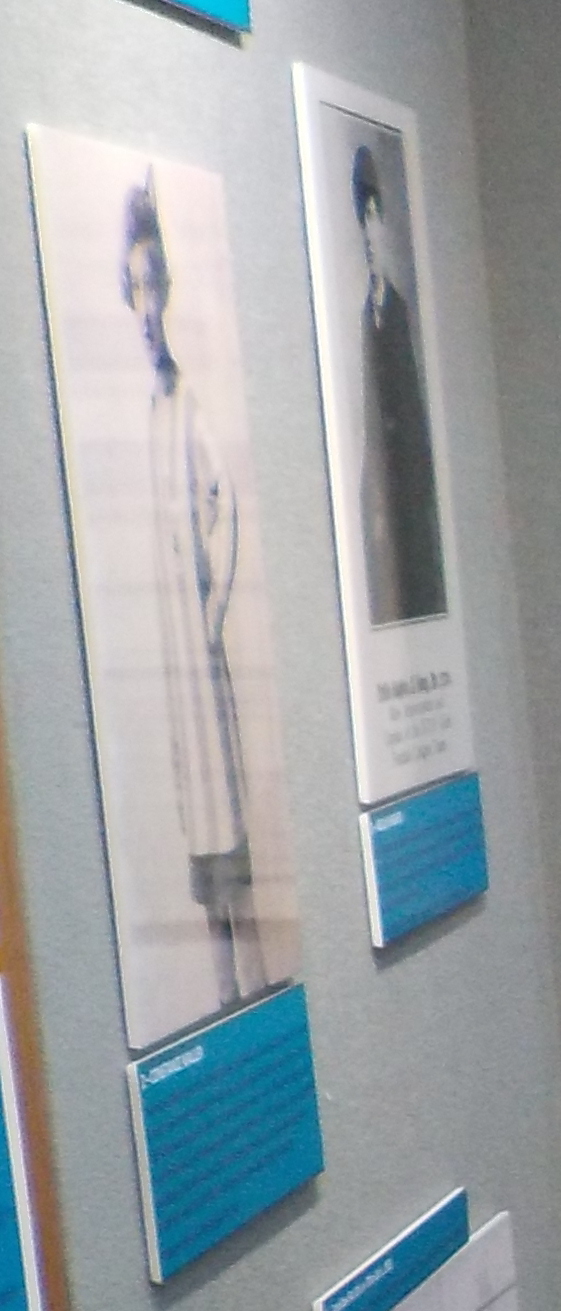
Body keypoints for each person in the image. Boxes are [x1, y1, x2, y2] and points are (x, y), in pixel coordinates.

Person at [126, 173, 269, 1016]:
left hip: (200, 651)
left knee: (230, 835)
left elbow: (228, 504)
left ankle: (252, 991)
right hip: (173, 668)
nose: (148, 306)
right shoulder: (145, 416)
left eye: (156, 288)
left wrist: (213, 612)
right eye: (136, 290)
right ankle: (223, 1001)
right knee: (198, 843)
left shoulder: (187, 408)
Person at [350, 142, 451, 627]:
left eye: (374, 218)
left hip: (408, 477)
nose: (369, 234)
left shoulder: (398, 309)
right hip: (383, 477)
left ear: (384, 226)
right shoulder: (362, 317)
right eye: (361, 220)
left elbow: (409, 406)